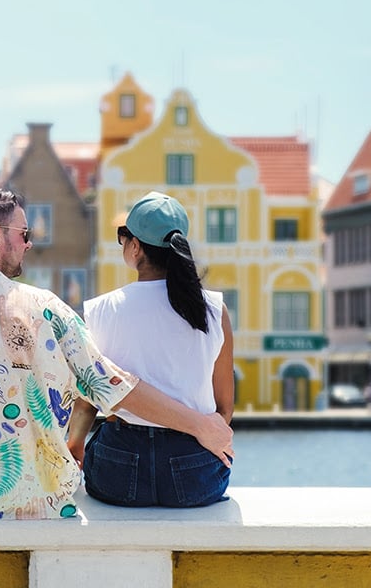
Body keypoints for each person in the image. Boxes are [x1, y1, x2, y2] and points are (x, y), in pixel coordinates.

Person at [0, 186, 233, 520]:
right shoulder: (47, 309)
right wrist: (201, 426)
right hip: (30, 496)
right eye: (24, 234)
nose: (30, 243)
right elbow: (114, 387)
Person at [67, 191, 235, 508]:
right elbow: (224, 408)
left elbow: (87, 401)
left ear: (135, 247)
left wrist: (75, 447)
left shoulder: (99, 310)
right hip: (194, 472)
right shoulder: (215, 309)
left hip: (118, 468)